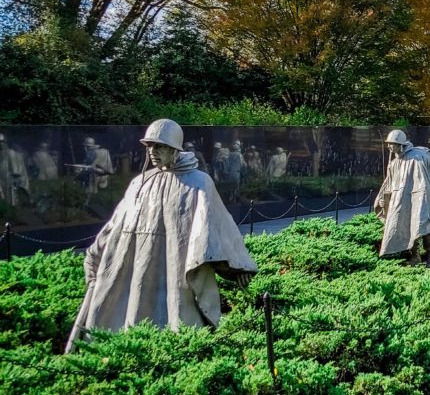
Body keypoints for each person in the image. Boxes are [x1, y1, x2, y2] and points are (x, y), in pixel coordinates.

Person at [65, 119, 257, 353]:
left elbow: (217, 228)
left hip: (175, 272)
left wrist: (238, 268)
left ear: (175, 148)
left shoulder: (198, 183)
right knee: (133, 313)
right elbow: (115, 226)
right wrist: (94, 257)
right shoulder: (139, 183)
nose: (153, 152)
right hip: (137, 270)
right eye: (149, 146)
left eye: (160, 147)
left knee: (178, 321)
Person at [374, 129, 430, 268]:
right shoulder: (394, 163)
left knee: (427, 227)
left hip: (423, 200)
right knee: (409, 227)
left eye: (391, 144)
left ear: (400, 144)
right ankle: (415, 256)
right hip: (403, 202)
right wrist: (383, 199)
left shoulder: (419, 157)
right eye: (388, 144)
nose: (389, 147)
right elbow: (388, 184)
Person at [0, 133, 30, 205]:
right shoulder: (1, 153)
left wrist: (15, 180)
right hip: (2, 180)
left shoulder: (11, 153)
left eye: (2, 142)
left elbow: (16, 171)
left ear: (5, 142)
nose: (0, 144)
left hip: (10, 180)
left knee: (11, 199)